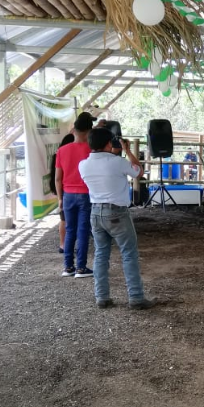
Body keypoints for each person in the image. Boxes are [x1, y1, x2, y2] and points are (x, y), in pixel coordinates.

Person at [78, 128, 159, 310]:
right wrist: (128, 150)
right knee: (129, 253)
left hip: (96, 212)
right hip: (117, 212)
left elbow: (105, 165)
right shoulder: (118, 162)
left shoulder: (83, 165)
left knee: (101, 254)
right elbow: (138, 171)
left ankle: (102, 297)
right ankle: (136, 297)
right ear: (109, 143)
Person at [55, 113, 94, 278]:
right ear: (88, 131)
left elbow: (58, 178)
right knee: (83, 230)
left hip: (67, 194)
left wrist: (59, 198)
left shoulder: (62, 150)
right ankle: (81, 268)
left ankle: (67, 267)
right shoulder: (91, 150)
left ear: (74, 130)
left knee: (70, 230)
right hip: (86, 193)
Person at [50, 130, 76, 253]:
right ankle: (64, 244)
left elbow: (56, 178)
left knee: (64, 218)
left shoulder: (58, 154)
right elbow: (58, 178)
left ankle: (63, 244)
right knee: (66, 219)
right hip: (67, 190)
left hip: (63, 190)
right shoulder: (65, 154)